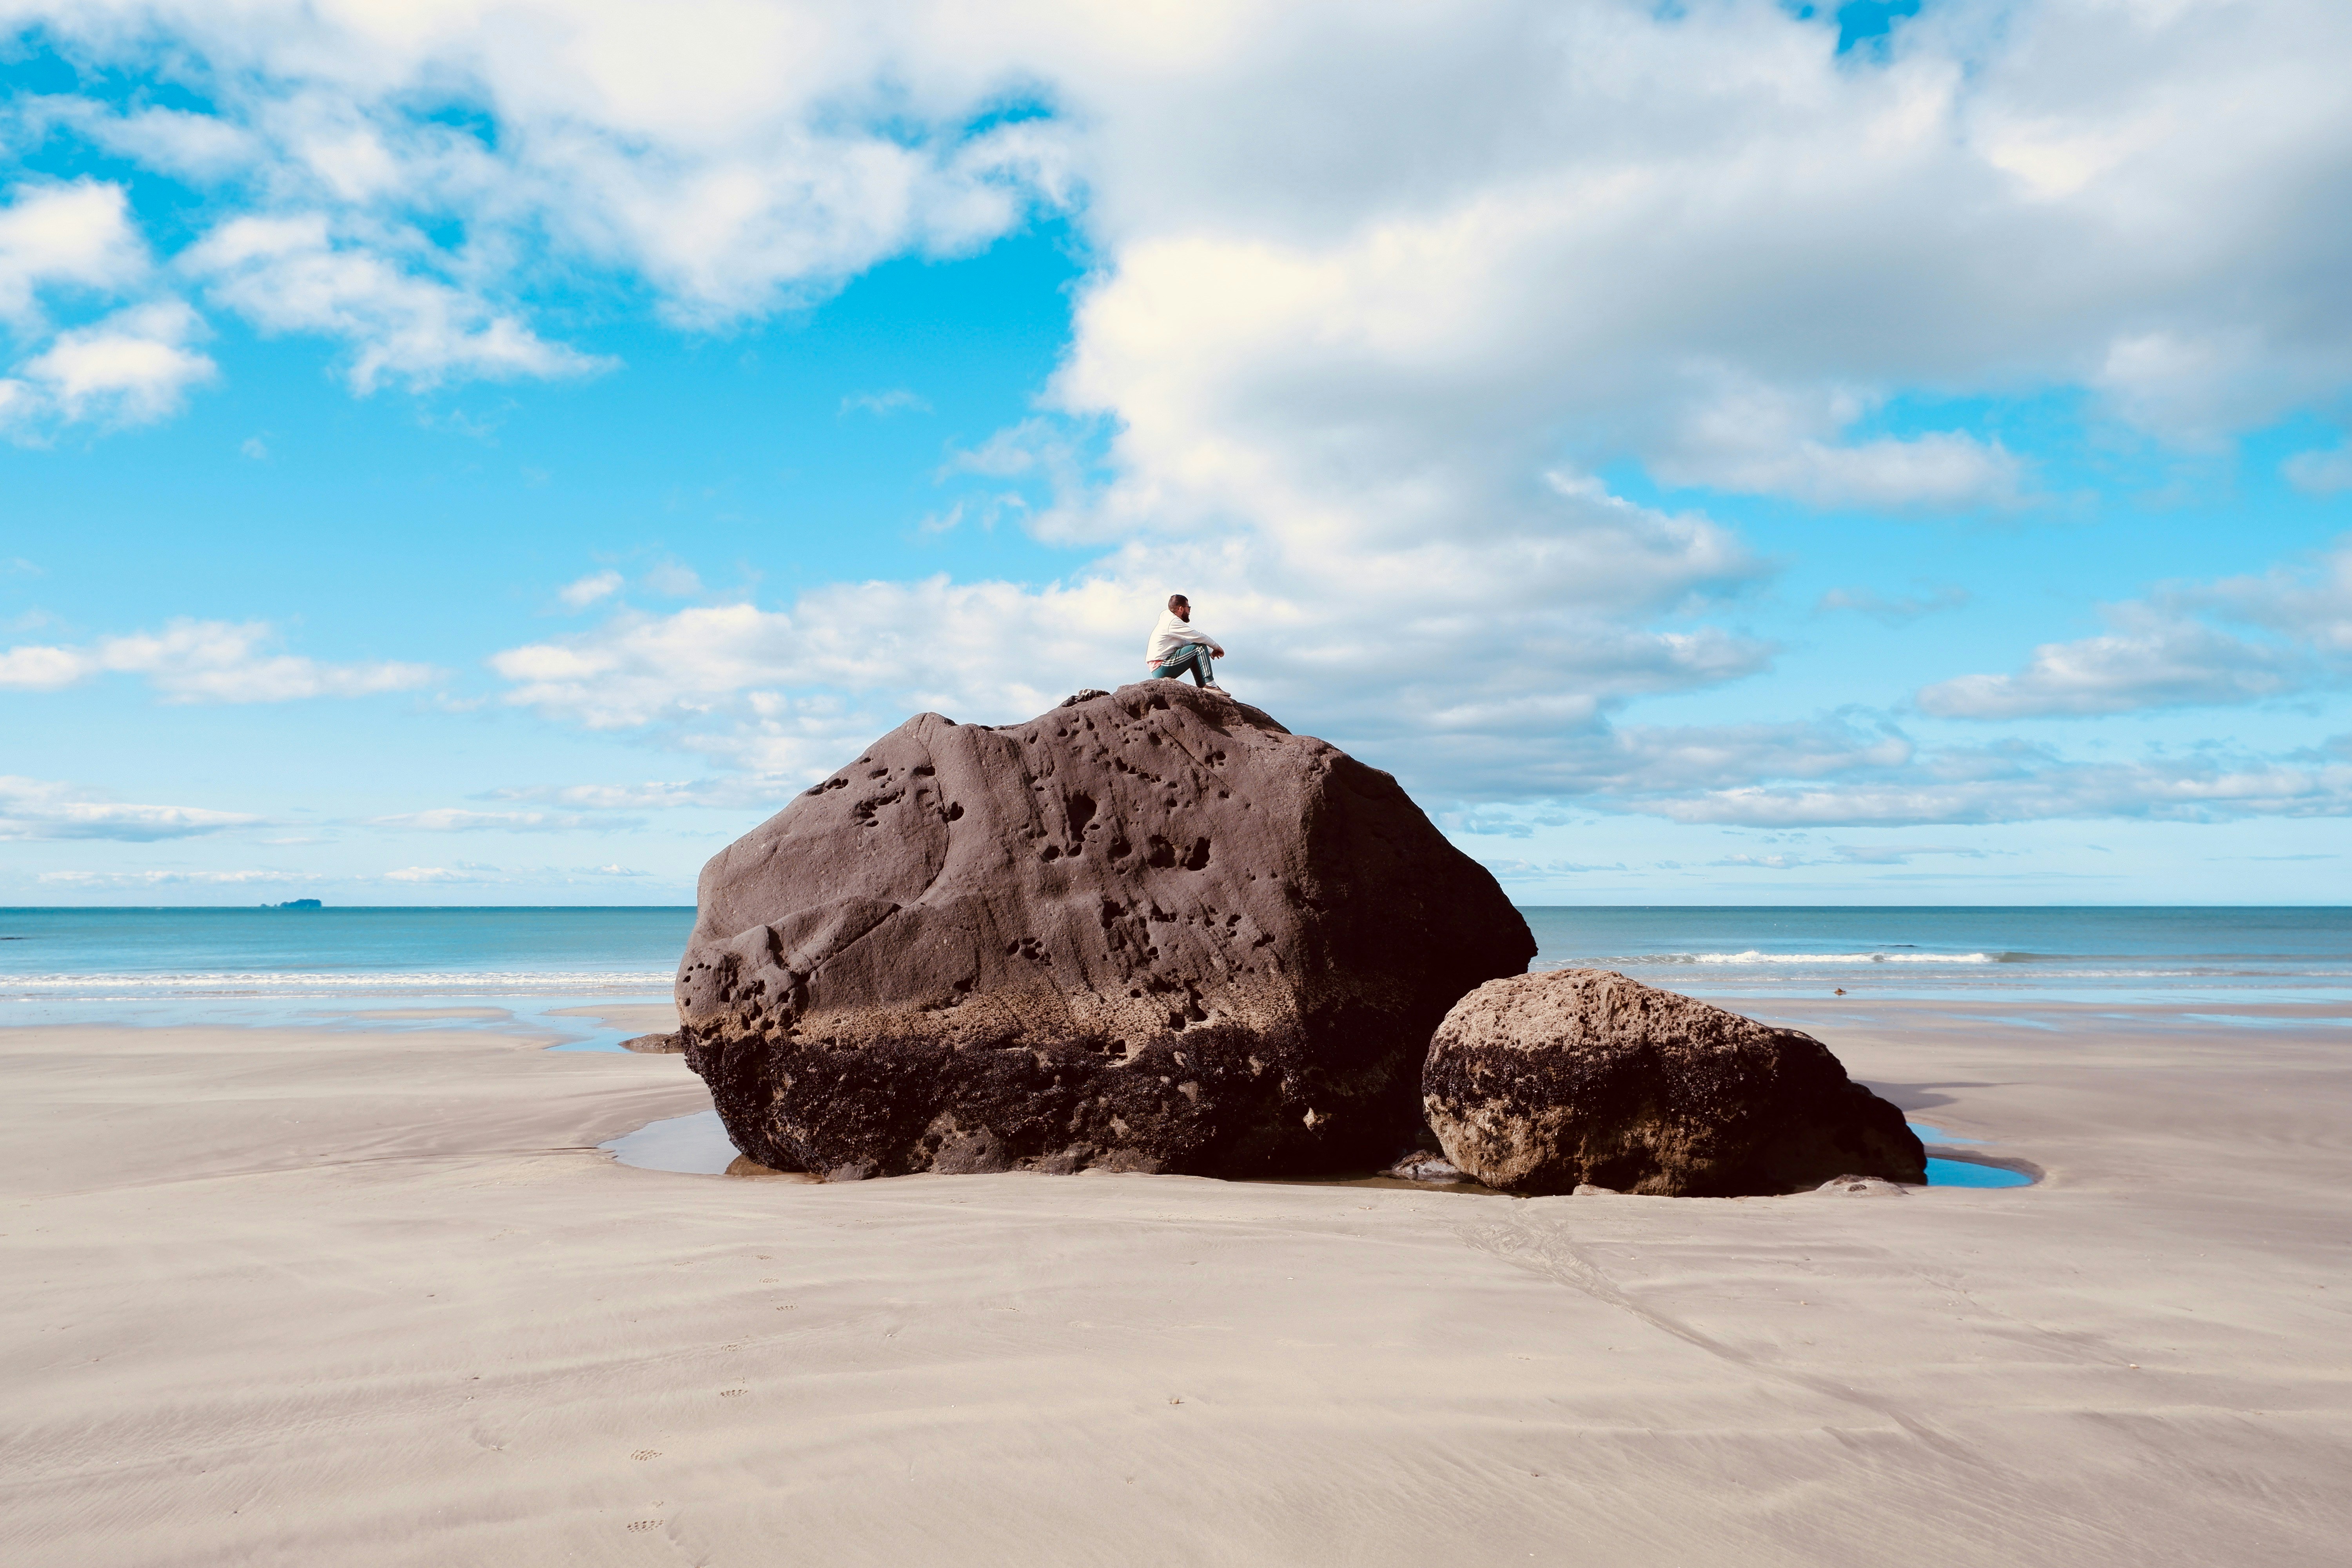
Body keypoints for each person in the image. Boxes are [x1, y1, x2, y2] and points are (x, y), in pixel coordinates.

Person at [1143, 593, 1226, 690]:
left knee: (1196, 650)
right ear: (1181, 609)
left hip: (1161, 667)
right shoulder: (1172, 622)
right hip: (1161, 667)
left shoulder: (1170, 621)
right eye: (1189, 608)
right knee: (1199, 649)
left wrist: (1210, 652)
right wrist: (1216, 647)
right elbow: (1197, 636)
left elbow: (1188, 642)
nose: (1190, 612)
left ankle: (1203, 686)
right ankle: (1210, 685)